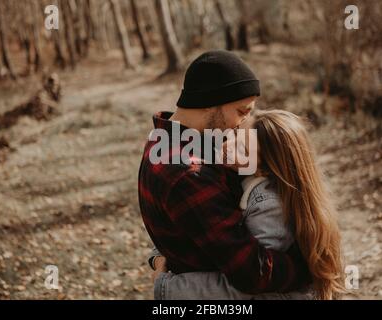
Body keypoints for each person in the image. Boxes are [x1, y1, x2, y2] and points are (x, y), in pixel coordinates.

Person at [138, 50, 311, 298]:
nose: (246, 122)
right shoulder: (187, 173)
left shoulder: (168, 140)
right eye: (242, 111)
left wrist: (159, 257)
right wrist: (307, 267)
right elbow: (252, 273)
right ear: (209, 103)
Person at [151, 110, 345, 300]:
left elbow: (252, 283)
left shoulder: (269, 206)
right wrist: (160, 255)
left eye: (242, 150)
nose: (227, 145)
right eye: (236, 134)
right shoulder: (239, 174)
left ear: (265, 169)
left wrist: (169, 289)